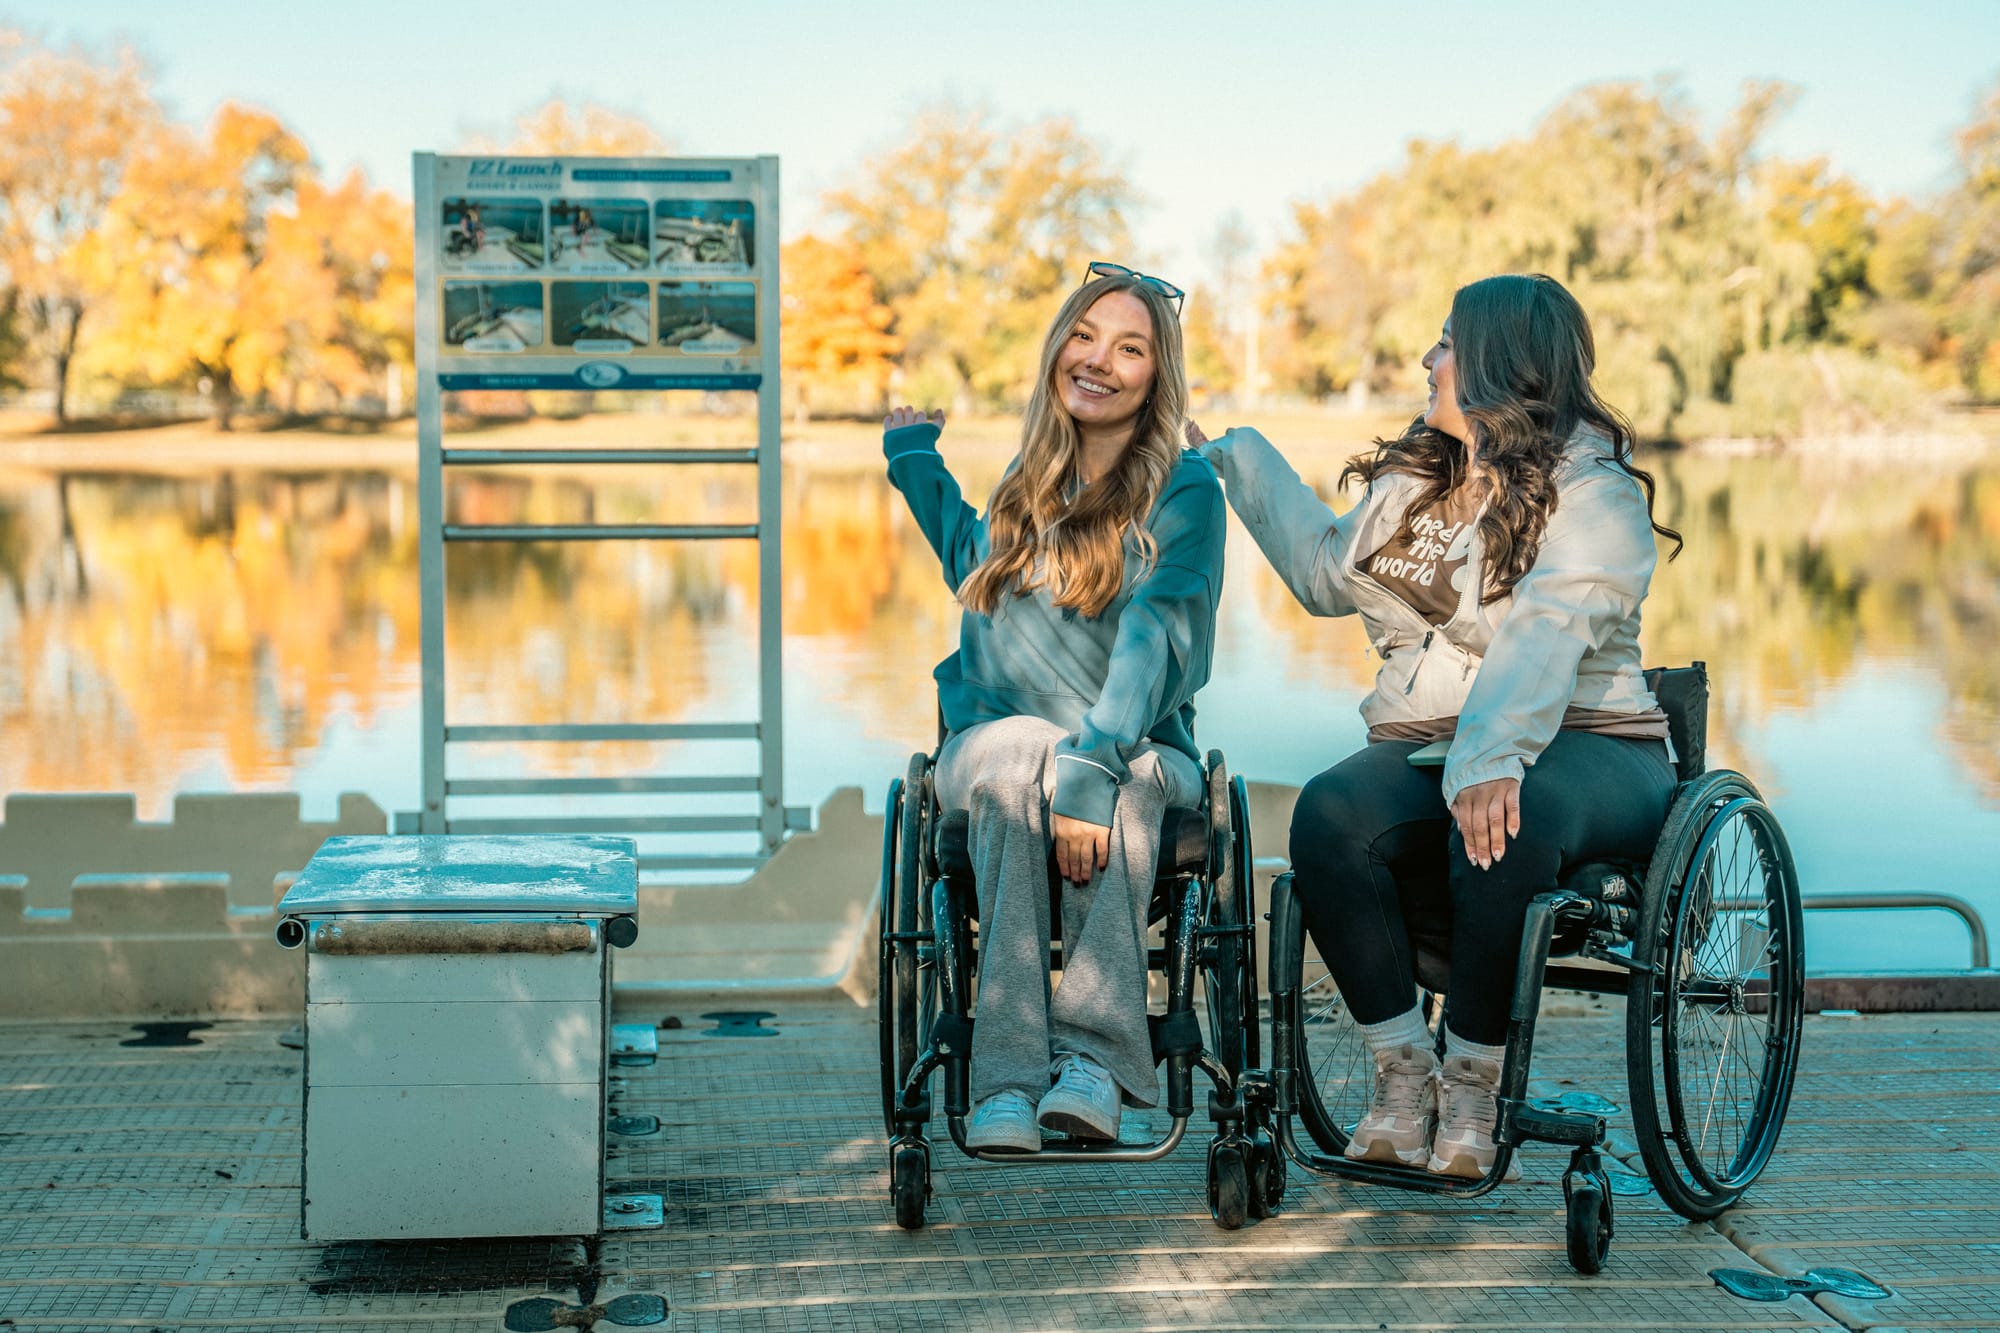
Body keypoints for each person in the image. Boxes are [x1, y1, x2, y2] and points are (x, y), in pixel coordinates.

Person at [1192, 273, 1681, 1179]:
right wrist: (1236, 458)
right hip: (1439, 740)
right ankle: (1402, 1075)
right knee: (1330, 811)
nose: (1429, 359)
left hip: (1594, 739)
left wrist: (1491, 756)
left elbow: (1549, 628)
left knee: (1505, 814)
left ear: (1503, 364)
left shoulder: (1594, 493)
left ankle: (1475, 1082)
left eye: (1447, 343)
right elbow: (1325, 573)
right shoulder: (1419, 481)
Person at [883, 264, 1225, 1153]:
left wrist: (1087, 771)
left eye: (1130, 347)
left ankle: (1093, 1065)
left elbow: (1158, 636)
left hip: (1133, 740)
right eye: (1085, 335)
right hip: (995, 740)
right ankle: (1002, 1078)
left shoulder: (1183, 490)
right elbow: (977, 566)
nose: (1099, 360)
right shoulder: (1028, 474)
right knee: (1014, 755)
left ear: (1158, 375)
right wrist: (914, 458)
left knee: (1135, 777)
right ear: (1056, 347)